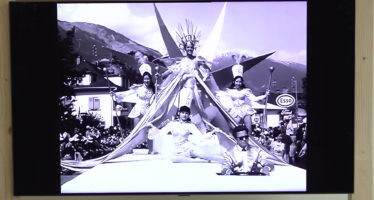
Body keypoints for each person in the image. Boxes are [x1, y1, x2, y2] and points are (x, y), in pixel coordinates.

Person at [147, 106, 224, 162]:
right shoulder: (172, 124)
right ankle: (200, 161)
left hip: (188, 147)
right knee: (173, 158)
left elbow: (201, 137)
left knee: (204, 155)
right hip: (177, 149)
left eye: (186, 113)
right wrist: (151, 126)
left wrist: (213, 132)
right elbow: (161, 133)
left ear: (188, 115)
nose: (184, 115)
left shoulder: (190, 125)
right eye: (183, 112)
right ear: (179, 113)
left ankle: (224, 160)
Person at [217, 63, 269, 134]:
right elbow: (220, 94)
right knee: (233, 128)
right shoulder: (229, 91)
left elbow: (254, 99)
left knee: (249, 129)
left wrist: (265, 95)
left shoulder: (245, 91)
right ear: (234, 82)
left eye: (240, 82)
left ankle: (249, 141)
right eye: (237, 81)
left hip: (245, 110)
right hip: (235, 111)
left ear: (242, 82)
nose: (238, 83)